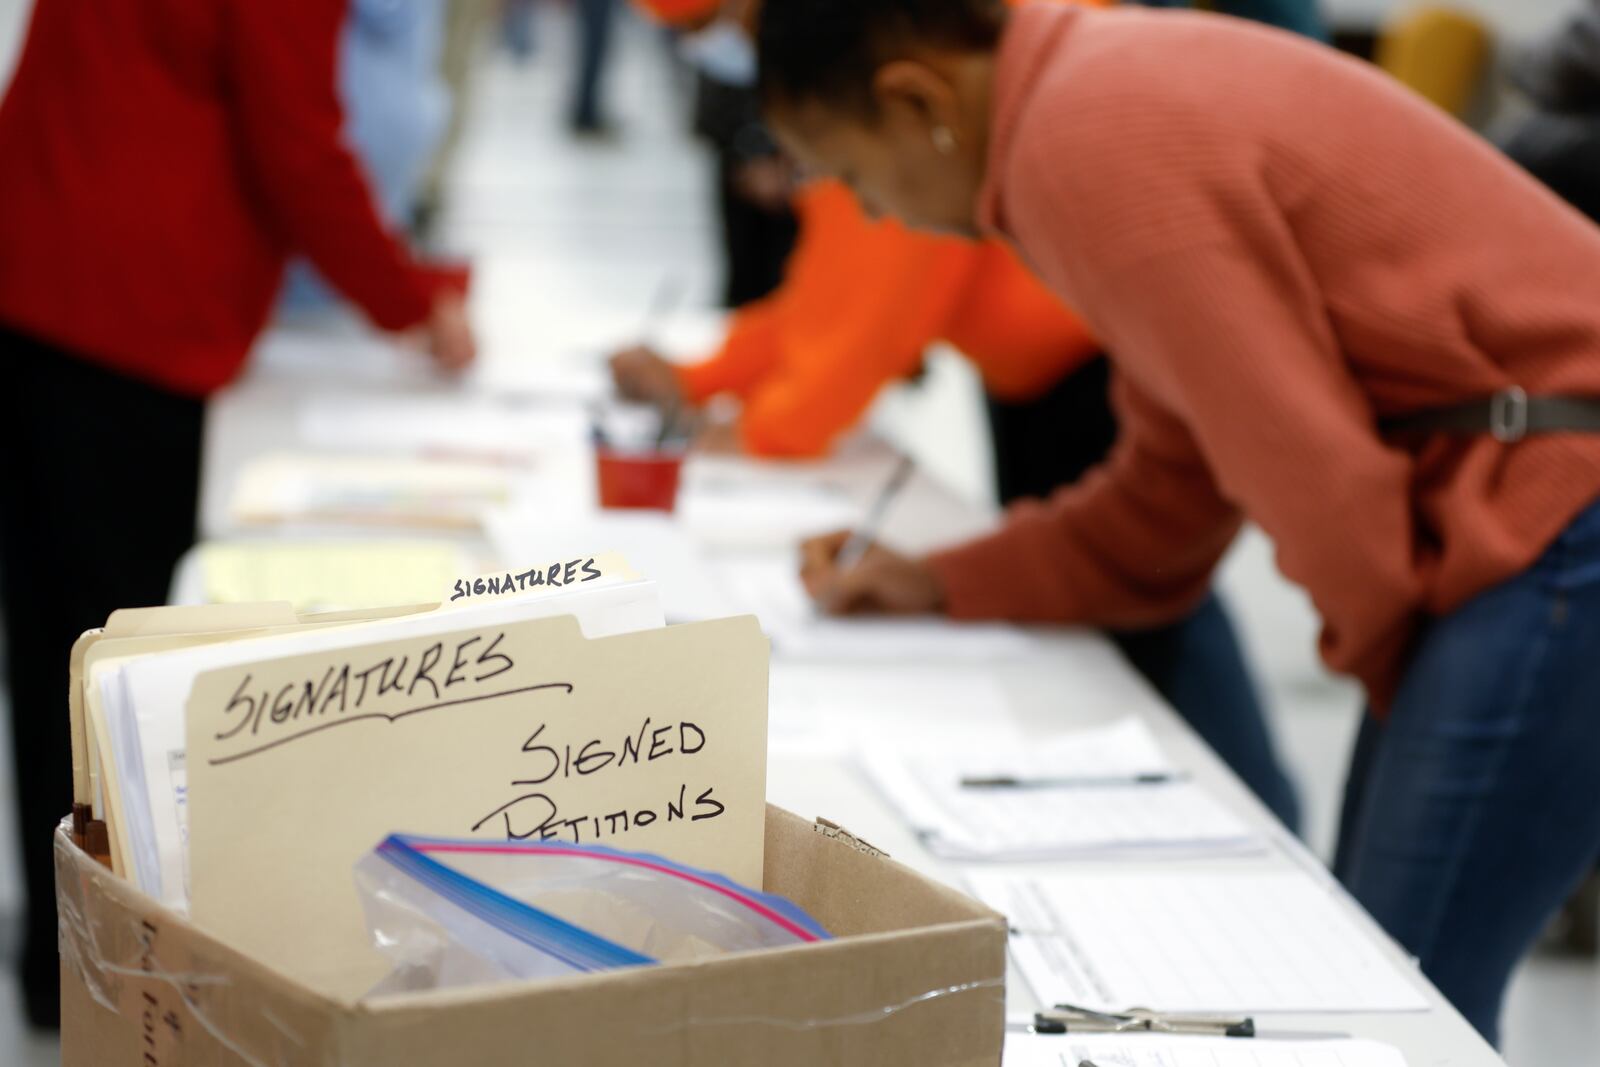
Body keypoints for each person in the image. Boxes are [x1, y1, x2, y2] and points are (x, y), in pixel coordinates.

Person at [762, 0, 1600, 1044]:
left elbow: (1320, 485)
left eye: (848, 171)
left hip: (1561, 506)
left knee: (1392, 998)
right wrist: (938, 580)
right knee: (1386, 970)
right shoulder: (1079, 100)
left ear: (915, 99)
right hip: (1539, 502)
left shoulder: (1084, 139)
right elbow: (1165, 498)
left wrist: (1394, 665)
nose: (873, 212)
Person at [0, 0, 475, 1029]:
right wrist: (409, 299)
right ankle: (98, 971)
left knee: (52, 642)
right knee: (119, 672)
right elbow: (295, 139)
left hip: (36, 264)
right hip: (134, 316)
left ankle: (55, 953)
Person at [613, 176, 1302, 831]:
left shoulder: (881, 129)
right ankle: (1236, 796)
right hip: (1037, 377)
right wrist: (699, 380)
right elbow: (819, 300)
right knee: (1093, 586)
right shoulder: (851, 137)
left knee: (1143, 580)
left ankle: (1256, 806)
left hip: (1091, 376)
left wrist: (758, 427)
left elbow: (871, 327)